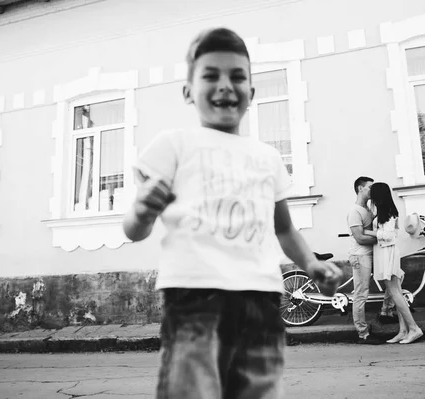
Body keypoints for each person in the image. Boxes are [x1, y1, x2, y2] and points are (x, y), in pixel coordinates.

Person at [123, 27, 343, 399]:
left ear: (251, 94)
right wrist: (143, 211)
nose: (225, 85)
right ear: (188, 91)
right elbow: (133, 229)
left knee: (258, 390)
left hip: (261, 299)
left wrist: (310, 263)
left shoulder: (268, 158)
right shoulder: (174, 145)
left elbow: (284, 229)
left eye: (237, 76)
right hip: (194, 298)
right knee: (192, 390)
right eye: (211, 76)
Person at [364, 182, 423, 344]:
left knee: (395, 293)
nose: (371, 196)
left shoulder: (388, 213)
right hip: (384, 253)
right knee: (395, 292)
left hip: (387, 253)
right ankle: (403, 331)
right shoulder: (383, 212)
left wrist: (368, 232)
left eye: (373, 193)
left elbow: (389, 235)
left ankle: (414, 328)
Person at [347, 176, 393, 345]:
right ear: (360, 188)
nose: (372, 191)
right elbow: (359, 238)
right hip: (361, 255)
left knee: (394, 279)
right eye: (369, 187)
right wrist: (384, 239)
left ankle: (386, 312)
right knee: (361, 293)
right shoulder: (355, 211)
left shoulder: (368, 209)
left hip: (373, 253)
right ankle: (363, 334)